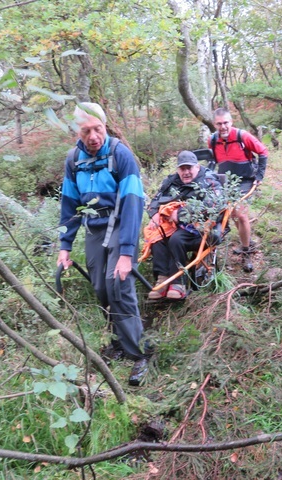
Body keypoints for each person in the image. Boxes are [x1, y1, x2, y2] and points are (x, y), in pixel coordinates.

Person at [57, 102, 150, 386]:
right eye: (86, 131)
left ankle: (138, 353)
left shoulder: (121, 155)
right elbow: (70, 204)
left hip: (122, 224)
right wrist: (65, 246)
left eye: (98, 128)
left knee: (119, 285)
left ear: (105, 126)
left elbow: (134, 204)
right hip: (95, 229)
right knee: (100, 287)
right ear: (78, 131)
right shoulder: (74, 160)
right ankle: (118, 341)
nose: (93, 136)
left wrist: (126, 253)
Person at [144, 151, 223, 300]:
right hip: (175, 226)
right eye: (182, 169)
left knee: (176, 239)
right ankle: (162, 278)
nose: (186, 172)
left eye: (189, 168)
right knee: (157, 235)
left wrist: (180, 214)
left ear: (197, 167)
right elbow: (156, 199)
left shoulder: (208, 180)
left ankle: (177, 283)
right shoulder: (171, 181)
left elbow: (215, 204)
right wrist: (154, 213)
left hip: (202, 229)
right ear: (177, 170)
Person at [209, 108, 269, 272]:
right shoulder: (212, 140)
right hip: (225, 181)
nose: (223, 127)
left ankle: (246, 251)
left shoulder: (243, 136)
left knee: (241, 214)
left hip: (245, 180)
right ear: (215, 124)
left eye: (226, 122)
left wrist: (259, 176)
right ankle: (246, 241)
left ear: (231, 122)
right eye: (219, 123)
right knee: (232, 214)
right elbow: (214, 161)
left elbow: (263, 152)